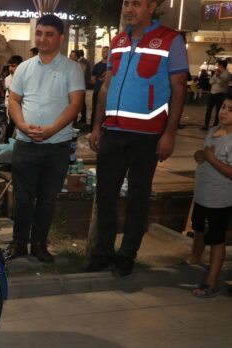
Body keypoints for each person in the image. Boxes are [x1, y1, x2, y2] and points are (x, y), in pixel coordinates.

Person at [87, 0, 188, 276]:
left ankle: (127, 255)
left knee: (138, 197)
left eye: (137, 4)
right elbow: (106, 86)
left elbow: (179, 89)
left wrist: (169, 134)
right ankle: (103, 253)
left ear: (152, 6)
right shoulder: (119, 40)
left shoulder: (171, 40)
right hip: (113, 131)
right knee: (105, 194)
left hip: (147, 135)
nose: (129, 9)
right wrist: (97, 125)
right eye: (127, 3)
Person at [6, 14, 84, 263]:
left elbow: (76, 104)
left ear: (60, 38)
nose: (43, 39)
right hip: (25, 144)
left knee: (47, 198)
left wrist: (51, 129)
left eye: (49, 34)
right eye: (39, 33)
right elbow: (14, 100)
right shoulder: (24, 68)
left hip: (57, 145)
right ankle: (19, 243)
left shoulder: (71, 69)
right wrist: (22, 126)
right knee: (23, 197)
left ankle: (39, 243)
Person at [186, 92, 232, 298]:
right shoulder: (213, 131)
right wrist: (201, 155)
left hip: (220, 199)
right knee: (198, 229)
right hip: (203, 194)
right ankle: (193, 261)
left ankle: (211, 281)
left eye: (231, 110)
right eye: (223, 107)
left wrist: (212, 159)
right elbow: (205, 155)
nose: (224, 112)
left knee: (216, 239)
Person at [203, 60, 229, 130]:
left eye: (219, 65)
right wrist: (216, 78)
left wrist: (217, 78)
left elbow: (221, 82)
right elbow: (210, 81)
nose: (218, 67)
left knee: (218, 110)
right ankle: (206, 124)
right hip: (212, 93)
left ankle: (215, 125)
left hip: (220, 94)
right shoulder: (216, 73)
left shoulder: (226, 74)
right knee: (209, 109)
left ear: (221, 66)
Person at [3, 54, 23, 142]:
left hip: (22, 105)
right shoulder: (8, 79)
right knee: (11, 125)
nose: (10, 68)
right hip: (12, 105)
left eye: (13, 66)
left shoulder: (23, 77)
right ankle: (6, 143)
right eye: (9, 66)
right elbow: (13, 95)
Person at [90, 46, 109, 126]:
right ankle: (92, 129)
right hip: (97, 91)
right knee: (95, 110)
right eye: (103, 51)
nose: (103, 53)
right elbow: (93, 79)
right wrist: (97, 81)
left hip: (108, 92)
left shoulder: (111, 66)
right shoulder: (97, 66)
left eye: (106, 51)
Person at [75, 49, 91, 125]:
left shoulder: (81, 62)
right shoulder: (85, 61)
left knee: (81, 103)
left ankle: (83, 119)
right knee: (83, 103)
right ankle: (83, 118)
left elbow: (80, 74)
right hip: (85, 85)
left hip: (81, 85)